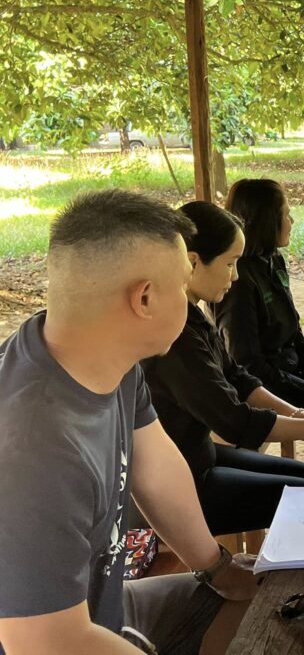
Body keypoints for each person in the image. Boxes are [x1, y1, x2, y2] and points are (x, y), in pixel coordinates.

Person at [0, 190, 258, 655]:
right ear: (144, 298)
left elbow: (155, 468)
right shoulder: (29, 447)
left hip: (104, 607)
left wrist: (216, 567)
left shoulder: (102, 356)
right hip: (59, 635)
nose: (188, 300)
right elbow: (46, 643)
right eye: (182, 286)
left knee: (268, 598)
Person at [144, 201, 304, 537]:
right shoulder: (175, 340)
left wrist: (302, 416)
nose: (236, 276)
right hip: (181, 483)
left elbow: (238, 378)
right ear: (192, 262)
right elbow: (235, 421)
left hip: (201, 456)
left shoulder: (193, 315)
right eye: (230, 263)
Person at [214, 178, 304, 412]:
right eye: (286, 214)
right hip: (266, 388)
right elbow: (248, 365)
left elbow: (293, 325)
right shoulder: (238, 280)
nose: (292, 221)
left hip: (293, 373)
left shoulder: (273, 259)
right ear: (268, 221)